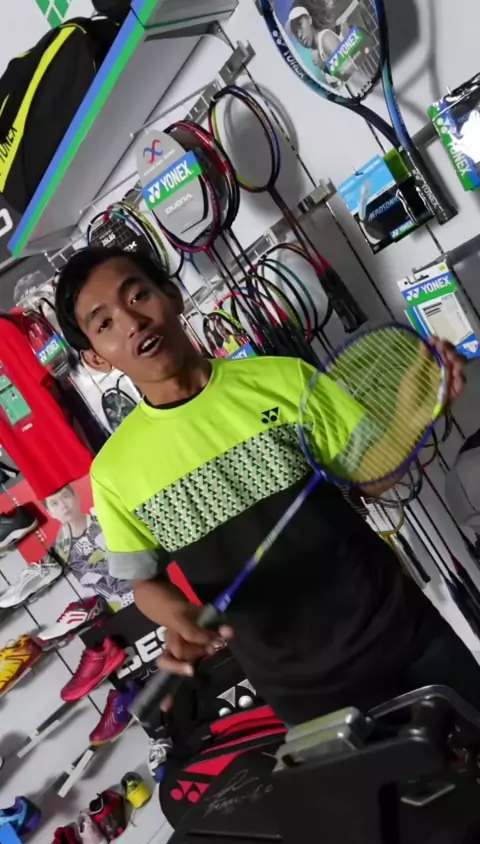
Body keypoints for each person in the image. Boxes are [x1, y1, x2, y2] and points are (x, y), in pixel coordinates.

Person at [54, 247, 477, 726]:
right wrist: (176, 612)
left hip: (402, 634)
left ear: (171, 295)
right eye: (104, 323)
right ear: (96, 356)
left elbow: (368, 480)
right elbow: (144, 582)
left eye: (137, 296)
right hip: (301, 691)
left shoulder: (283, 378)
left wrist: (411, 416)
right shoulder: (114, 471)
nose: (132, 322)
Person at [45, 484, 133, 609]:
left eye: (65, 496)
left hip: (143, 586)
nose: (63, 505)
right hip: (115, 607)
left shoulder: (103, 518)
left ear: (76, 497)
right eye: (54, 504)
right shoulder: (59, 551)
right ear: (50, 513)